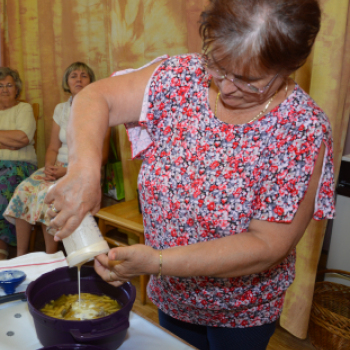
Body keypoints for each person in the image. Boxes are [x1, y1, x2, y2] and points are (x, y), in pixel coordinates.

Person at [45, 1, 336, 349]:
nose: (227, 88)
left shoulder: (301, 129)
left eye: (250, 80)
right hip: (173, 294)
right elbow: (96, 97)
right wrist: (83, 168)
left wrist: (158, 261)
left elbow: (266, 244)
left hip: (242, 309)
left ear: (292, 65)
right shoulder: (180, 76)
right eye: (217, 65)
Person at [4, 62, 96, 257]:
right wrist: (48, 166)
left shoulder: (99, 107)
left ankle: (50, 257)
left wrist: (68, 171)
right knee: (24, 189)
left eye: (83, 76)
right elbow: (53, 147)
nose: (78, 79)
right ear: (67, 82)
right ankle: (20, 256)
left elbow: (100, 156)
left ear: (91, 82)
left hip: (81, 170)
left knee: (47, 196)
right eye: (73, 76)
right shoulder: (61, 109)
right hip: (57, 167)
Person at [0, 67, 37, 260]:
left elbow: (23, 138)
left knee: (4, 183)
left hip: (20, 166)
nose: (4, 89)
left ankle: (3, 250)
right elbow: (15, 139)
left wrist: (14, 140)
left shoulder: (24, 108)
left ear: (17, 89)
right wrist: (10, 139)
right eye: (0, 85)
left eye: (9, 85)